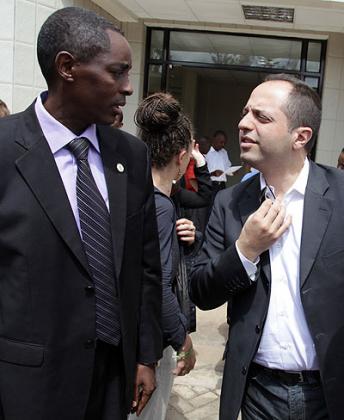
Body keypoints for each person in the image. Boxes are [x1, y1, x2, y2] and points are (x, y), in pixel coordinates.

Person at [0, 7, 162, 420]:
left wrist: (145, 355)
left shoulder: (132, 155)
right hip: (27, 383)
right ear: (67, 67)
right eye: (117, 72)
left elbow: (145, 269)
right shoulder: (4, 151)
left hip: (111, 379)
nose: (128, 88)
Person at [190, 73, 344, 420]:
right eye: (245, 113)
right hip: (258, 392)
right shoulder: (230, 203)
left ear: (300, 136)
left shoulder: (340, 195)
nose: (243, 124)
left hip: (330, 392)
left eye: (261, 117)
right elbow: (201, 290)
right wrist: (245, 250)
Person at [132, 92, 196, 419]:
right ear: (182, 157)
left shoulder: (131, 193)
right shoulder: (160, 207)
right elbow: (157, 287)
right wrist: (184, 342)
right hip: (146, 348)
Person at [205, 130, 232, 195]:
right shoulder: (206, 151)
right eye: (221, 142)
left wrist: (232, 171)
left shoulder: (224, 152)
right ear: (214, 140)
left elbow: (227, 167)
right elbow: (202, 171)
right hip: (210, 184)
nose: (223, 145)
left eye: (224, 143)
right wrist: (214, 173)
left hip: (222, 185)